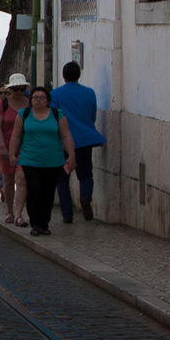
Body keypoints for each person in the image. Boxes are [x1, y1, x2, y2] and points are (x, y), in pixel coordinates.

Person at [11, 84, 76, 236]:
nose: (38, 100)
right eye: (35, 97)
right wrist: (12, 154)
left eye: (42, 97)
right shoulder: (24, 114)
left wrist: (72, 155)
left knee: (48, 192)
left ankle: (44, 223)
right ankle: (35, 223)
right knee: (34, 190)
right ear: (31, 100)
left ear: (47, 100)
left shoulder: (57, 114)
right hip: (30, 160)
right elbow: (16, 136)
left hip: (53, 161)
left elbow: (66, 136)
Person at [52, 61, 105, 223]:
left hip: (63, 142)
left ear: (63, 75)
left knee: (62, 179)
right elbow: (92, 115)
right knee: (86, 174)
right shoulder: (89, 93)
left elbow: (54, 117)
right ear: (79, 75)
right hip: (84, 139)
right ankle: (85, 196)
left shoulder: (56, 94)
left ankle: (67, 215)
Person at [0, 74, 28, 225]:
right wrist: (2, 147)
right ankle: (9, 211)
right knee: (8, 180)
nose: (19, 92)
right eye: (15, 89)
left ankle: (19, 214)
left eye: (22, 89)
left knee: (21, 179)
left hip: (25, 147)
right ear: (10, 89)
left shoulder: (29, 103)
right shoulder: (3, 104)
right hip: (6, 146)